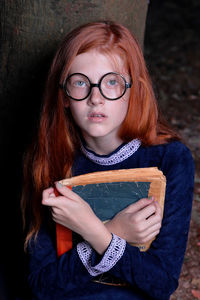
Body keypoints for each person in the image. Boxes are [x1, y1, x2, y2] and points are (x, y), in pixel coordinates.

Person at [21, 21, 194, 300]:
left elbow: (161, 284)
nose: (96, 98)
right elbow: (43, 286)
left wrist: (93, 232)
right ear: (64, 95)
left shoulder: (171, 160)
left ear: (133, 90)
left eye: (111, 82)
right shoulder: (50, 158)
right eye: (80, 83)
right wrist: (114, 232)